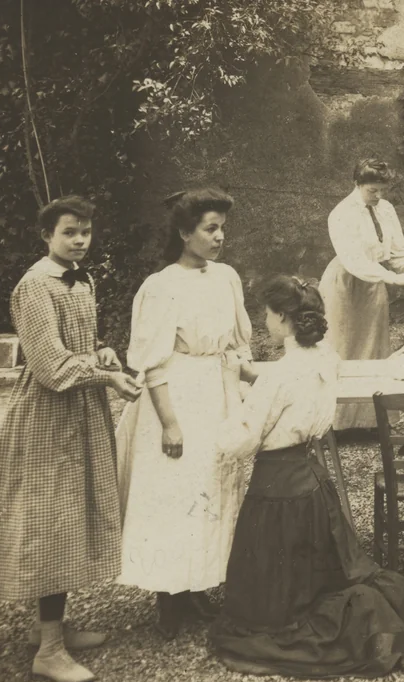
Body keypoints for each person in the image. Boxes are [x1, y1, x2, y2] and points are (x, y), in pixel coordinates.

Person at [209, 276, 404, 677]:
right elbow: (287, 397)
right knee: (325, 577)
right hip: (312, 485)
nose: (264, 320)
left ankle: (352, 624)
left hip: (278, 490)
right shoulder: (325, 359)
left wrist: (230, 385)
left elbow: (239, 441)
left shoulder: (281, 376)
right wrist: (253, 377)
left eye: (267, 314)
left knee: (279, 604)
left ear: (282, 318)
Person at [0, 197, 142, 682]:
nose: (79, 240)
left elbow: (77, 345)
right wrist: (108, 378)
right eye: (69, 232)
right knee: (52, 520)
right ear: (46, 235)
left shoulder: (81, 280)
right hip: (48, 418)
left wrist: (102, 351)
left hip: (81, 412)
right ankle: (49, 652)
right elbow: (51, 366)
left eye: (85, 232)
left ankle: (47, 628)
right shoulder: (34, 285)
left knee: (71, 516)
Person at [116, 188, 253, 640]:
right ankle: (168, 597)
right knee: (173, 493)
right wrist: (170, 423)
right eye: (210, 229)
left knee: (210, 489)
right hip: (175, 397)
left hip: (216, 391)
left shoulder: (227, 277)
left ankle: (198, 585)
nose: (219, 237)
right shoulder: (162, 286)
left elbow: (239, 343)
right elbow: (153, 363)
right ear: (184, 232)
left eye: (222, 229)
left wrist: (247, 392)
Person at [320, 159, 404, 430]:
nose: (378, 196)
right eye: (372, 190)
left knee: (373, 346)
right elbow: (355, 261)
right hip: (346, 283)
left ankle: (372, 421)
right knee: (343, 346)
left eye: (383, 190)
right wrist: (392, 278)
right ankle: (337, 424)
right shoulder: (341, 214)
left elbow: (397, 250)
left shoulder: (385, 209)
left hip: (374, 284)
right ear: (357, 184)